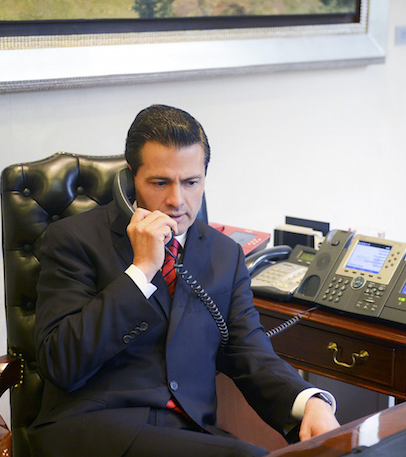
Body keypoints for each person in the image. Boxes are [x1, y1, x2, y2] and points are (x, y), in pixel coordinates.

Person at [29, 104, 340, 457]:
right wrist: (141, 270)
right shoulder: (73, 239)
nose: (177, 201)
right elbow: (61, 363)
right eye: (160, 183)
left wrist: (310, 401)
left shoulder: (224, 254)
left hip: (189, 431)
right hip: (93, 427)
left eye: (191, 183)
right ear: (131, 177)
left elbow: (249, 352)